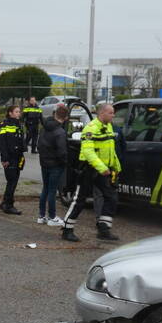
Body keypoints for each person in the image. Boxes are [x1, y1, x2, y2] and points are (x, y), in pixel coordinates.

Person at [60, 103, 121, 242]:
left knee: (111, 197)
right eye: (111, 113)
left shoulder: (108, 127)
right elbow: (88, 151)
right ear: (102, 113)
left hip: (103, 170)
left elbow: (110, 150)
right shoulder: (90, 128)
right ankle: (67, 229)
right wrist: (102, 167)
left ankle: (103, 229)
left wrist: (116, 167)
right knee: (79, 200)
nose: (113, 115)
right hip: (89, 169)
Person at [37, 104, 69, 226]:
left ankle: (41, 216)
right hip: (56, 165)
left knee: (45, 188)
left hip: (44, 163)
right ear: (66, 118)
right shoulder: (60, 132)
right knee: (52, 190)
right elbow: (62, 152)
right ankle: (52, 217)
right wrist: (65, 163)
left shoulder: (44, 128)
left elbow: (39, 145)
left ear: (55, 114)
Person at [0, 104, 26, 215]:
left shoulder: (18, 124)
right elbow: (2, 144)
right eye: (16, 112)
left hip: (18, 156)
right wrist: (4, 159)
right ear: (10, 113)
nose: (19, 113)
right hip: (10, 157)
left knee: (13, 181)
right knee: (12, 182)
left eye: (19, 111)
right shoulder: (3, 125)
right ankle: (8, 206)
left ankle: (4, 203)